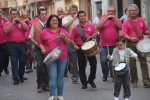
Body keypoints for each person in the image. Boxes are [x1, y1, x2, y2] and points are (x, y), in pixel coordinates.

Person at [38, 14, 70, 100]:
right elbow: (40, 42)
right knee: (52, 77)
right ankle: (52, 95)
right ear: (49, 22)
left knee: (60, 77)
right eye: (53, 20)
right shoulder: (44, 31)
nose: (55, 22)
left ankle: (60, 95)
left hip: (62, 56)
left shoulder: (63, 30)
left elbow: (68, 42)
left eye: (56, 20)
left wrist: (64, 37)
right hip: (50, 57)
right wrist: (42, 49)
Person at [122, 4, 150, 88]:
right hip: (131, 44)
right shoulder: (126, 22)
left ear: (137, 11)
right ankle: (134, 81)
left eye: (135, 10)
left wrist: (147, 32)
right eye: (131, 10)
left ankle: (146, 81)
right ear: (129, 12)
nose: (133, 12)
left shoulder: (141, 20)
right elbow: (124, 34)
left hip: (141, 43)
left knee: (143, 62)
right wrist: (130, 38)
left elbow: (145, 30)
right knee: (132, 64)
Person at [70, 10, 97, 89]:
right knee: (81, 66)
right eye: (81, 16)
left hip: (90, 47)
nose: (83, 17)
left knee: (94, 65)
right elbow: (71, 38)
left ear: (86, 16)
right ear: (78, 18)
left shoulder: (90, 25)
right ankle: (84, 82)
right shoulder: (75, 28)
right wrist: (74, 45)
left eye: (84, 16)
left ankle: (91, 80)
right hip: (80, 47)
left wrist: (95, 35)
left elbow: (95, 33)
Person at [107, 36, 138, 100]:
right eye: (118, 45)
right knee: (117, 83)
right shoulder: (115, 50)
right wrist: (109, 57)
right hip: (117, 67)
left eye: (121, 45)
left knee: (126, 83)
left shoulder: (128, 50)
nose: (119, 46)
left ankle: (126, 97)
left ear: (125, 43)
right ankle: (116, 96)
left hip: (125, 67)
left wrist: (133, 56)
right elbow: (112, 58)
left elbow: (136, 55)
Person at [96, 6, 122, 81]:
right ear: (107, 12)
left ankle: (113, 74)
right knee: (103, 60)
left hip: (114, 45)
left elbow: (121, 27)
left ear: (115, 12)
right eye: (110, 11)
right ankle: (105, 74)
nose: (111, 12)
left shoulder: (117, 20)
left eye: (113, 11)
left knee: (113, 61)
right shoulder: (103, 19)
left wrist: (115, 21)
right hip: (104, 45)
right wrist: (106, 20)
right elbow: (97, 27)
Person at [3, 9, 28, 85]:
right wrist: (12, 24)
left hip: (21, 44)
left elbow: (26, 29)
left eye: (16, 14)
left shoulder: (22, 22)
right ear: (10, 15)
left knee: (23, 61)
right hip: (11, 45)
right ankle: (15, 78)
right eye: (13, 14)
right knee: (14, 61)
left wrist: (20, 22)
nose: (14, 16)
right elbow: (6, 31)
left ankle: (21, 74)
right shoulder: (7, 23)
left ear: (18, 15)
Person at [29, 9, 49, 92]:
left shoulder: (50, 24)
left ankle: (47, 84)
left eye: (45, 14)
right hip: (38, 48)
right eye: (42, 14)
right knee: (40, 66)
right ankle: (40, 85)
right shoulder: (34, 25)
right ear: (39, 16)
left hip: (48, 49)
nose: (44, 15)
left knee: (47, 66)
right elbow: (30, 37)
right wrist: (37, 44)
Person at [62, 4, 79, 84]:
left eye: (76, 10)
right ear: (70, 11)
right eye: (73, 10)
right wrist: (74, 19)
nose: (74, 11)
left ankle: (80, 74)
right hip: (70, 42)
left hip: (81, 42)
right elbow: (66, 26)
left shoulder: (81, 17)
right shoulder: (65, 18)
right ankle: (75, 77)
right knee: (73, 61)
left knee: (84, 60)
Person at [0, 9, 9, 76]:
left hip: (4, 41)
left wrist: (2, 17)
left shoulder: (4, 20)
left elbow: (9, 22)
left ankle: (5, 67)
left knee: (6, 55)